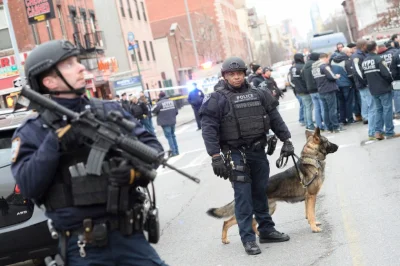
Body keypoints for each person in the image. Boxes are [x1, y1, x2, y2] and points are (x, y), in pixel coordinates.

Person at [10, 40, 167, 265]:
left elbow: (153, 150)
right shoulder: (33, 131)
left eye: (77, 61)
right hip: (81, 245)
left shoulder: (108, 112)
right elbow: (28, 185)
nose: (81, 67)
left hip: (128, 238)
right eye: (68, 64)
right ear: (49, 81)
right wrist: (54, 143)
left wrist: (132, 173)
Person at [200, 56, 293, 255]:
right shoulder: (216, 99)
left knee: (261, 192)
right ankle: (248, 239)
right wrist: (215, 156)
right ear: (225, 76)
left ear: (245, 74)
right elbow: (209, 129)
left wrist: (287, 140)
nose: (236, 78)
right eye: (231, 74)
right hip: (235, 154)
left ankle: (266, 230)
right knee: (243, 197)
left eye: (239, 73)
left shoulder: (259, 93)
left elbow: (275, 118)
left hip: (258, 151)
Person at [362, 41, 395, 140]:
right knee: (387, 110)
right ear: (375, 48)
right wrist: (391, 81)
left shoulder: (364, 61)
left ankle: (378, 132)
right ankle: (389, 132)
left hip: (373, 90)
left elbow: (364, 77)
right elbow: (387, 74)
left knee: (378, 110)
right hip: (384, 88)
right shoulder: (378, 59)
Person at [312, 53, 342, 133]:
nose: (328, 60)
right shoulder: (324, 66)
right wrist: (337, 76)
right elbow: (332, 76)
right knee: (332, 109)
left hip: (321, 90)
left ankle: (329, 127)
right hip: (329, 90)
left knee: (326, 110)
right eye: (328, 59)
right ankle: (336, 127)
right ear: (325, 58)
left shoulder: (314, 68)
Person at [331, 47, 356, 124]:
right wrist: (353, 83)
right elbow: (350, 74)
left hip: (337, 84)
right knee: (348, 102)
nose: (350, 54)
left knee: (341, 103)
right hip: (347, 84)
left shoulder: (332, 61)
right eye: (349, 52)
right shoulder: (347, 61)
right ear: (346, 53)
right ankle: (350, 119)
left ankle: (342, 119)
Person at [291, 53, 315, 130]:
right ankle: (310, 125)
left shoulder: (293, 68)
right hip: (305, 90)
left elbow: (292, 80)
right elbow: (305, 79)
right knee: (308, 107)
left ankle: (307, 123)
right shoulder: (302, 67)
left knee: (305, 106)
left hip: (298, 90)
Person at [302, 52, 326, 130]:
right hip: (317, 88)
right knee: (323, 107)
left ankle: (319, 126)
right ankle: (325, 124)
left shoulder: (305, 66)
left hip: (310, 90)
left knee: (316, 108)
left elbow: (303, 78)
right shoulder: (315, 65)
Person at [153, 91, 179, 156]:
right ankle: (177, 151)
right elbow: (176, 112)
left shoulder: (159, 103)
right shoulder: (172, 101)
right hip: (172, 121)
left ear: (160, 97)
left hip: (164, 122)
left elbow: (152, 110)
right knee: (173, 136)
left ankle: (173, 152)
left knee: (169, 137)